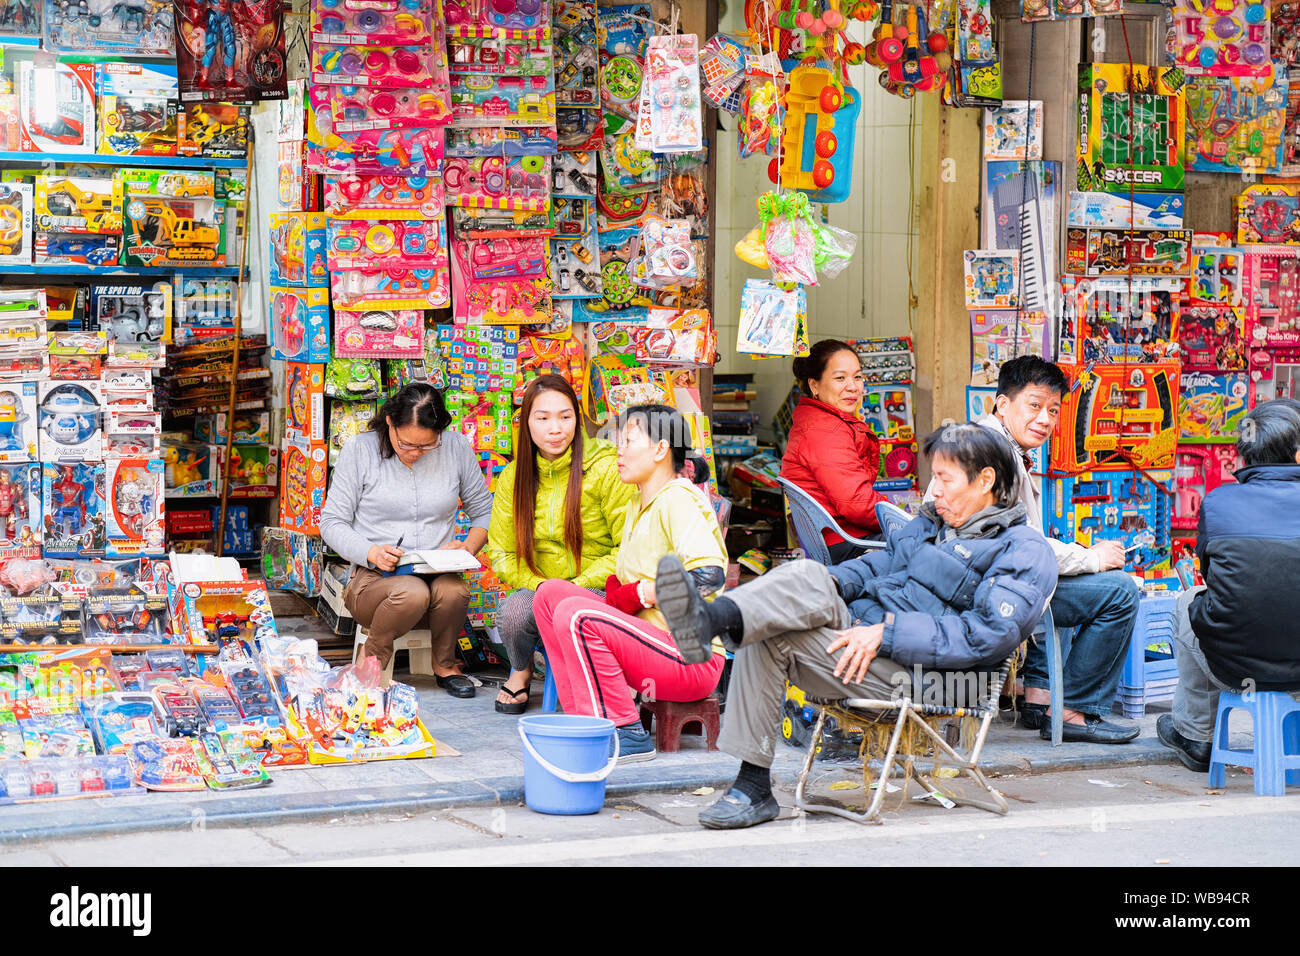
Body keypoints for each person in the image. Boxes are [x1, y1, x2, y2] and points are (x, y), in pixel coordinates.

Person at [655, 423, 1058, 829]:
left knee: (769, 637)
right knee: (809, 580)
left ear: (985, 480)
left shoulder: (1023, 550)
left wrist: (888, 633)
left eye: (944, 478)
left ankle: (750, 777)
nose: (932, 490)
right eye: (933, 476)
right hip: (864, 641)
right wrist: (824, 588)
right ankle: (715, 635)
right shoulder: (933, 524)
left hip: (931, 676)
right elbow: (876, 565)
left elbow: (985, 636)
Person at [951, 355, 1140, 744]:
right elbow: (1020, 551)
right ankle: (1071, 710)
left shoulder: (988, 442)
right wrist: (1091, 557)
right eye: (1034, 406)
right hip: (988, 587)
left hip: (985, 578)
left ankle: (1039, 696)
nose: (1045, 419)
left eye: (1053, 410)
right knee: (1119, 592)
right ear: (1003, 404)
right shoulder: (994, 458)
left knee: (1072, 573)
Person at [533, 404, 728, 763]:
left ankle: (624, 731)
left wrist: (645, 592)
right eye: (617, 441)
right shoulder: (640, 502)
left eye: (629, 441)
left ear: (660, 449)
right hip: (651, 641)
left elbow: (709, 575)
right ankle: (585, 718)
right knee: (550, 595)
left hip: (690, 657)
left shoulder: (678, 498)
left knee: (576, 614)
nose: (618, 450)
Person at [320, 383, 493, 698]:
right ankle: (369, 667)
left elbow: (484, 512)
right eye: (407, 444)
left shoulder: (455, 447)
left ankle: (444, 666)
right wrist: (371, 551)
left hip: (436, 578)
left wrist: (467, 548)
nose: (416, 453)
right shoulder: (360, 450)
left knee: (454, 590)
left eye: (427, 446)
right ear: (390, 422)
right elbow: (331, 523)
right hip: (374, 584)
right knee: (411, 592)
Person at [1158, 399, 1300, 772]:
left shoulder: (1219, 501)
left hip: (1232, 666)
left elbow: (1211, 576)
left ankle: (1195, 735)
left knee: (1188, 601)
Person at [485, 375, 636, 714]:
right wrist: (545, 588)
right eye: (543, 418)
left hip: (597, 588)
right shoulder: (513, 476)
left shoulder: (606, 467)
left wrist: (574, 588)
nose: (556, 428)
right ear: (526, 423)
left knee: (570, 608)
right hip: (541, 590)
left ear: (577, 418)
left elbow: (626, 547)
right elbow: (503, 553)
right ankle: (521, 670)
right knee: (511, 612)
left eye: (565, 417)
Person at [781, 339, 889, 562]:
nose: (853, 387)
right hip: (846, 543)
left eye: (857, 377)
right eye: (840, 378)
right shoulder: (824, 431)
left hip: (844, 538)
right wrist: (905, 519)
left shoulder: (821, 421)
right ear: (814, 386)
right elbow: (856, 504)